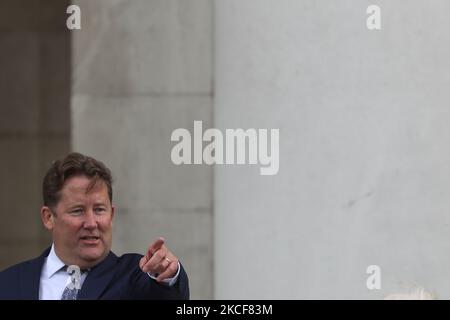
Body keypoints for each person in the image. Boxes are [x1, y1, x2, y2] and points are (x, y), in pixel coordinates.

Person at [0, 152, 189, 299]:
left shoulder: (136, 277)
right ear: (49, 217)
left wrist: (166, 276)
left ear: (111, 214)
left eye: (99, 210)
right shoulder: (8, 284)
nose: (91, 223)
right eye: (77, 211)